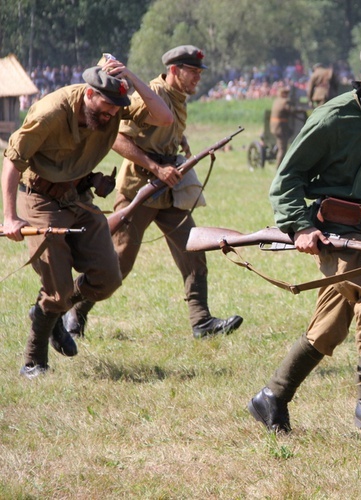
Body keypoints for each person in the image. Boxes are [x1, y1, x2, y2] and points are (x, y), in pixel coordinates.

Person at [247, 43, 361, 438]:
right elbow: (287, 178)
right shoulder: (333, 117)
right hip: (339, 234)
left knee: (329, 326)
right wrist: (301, 226)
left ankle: (272, 397)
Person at [2, 59, 173, 379]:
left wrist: (132, 78)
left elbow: (163, 117)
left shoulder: (115, 107)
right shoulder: (51, 112)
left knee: (108, 278)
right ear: (90, 94)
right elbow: (13, 161)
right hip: (39, 197)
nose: (110, 116)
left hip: (78, 197)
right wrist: (10, 217)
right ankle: (33, 359)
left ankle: (52, 313)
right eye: (106, 108)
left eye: (115, 111)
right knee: (57, 288)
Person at [62, 45, 243, 340]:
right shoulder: (154, 94)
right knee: (118, 262)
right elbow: (117, 138)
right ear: (174, 71)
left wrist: (177, 138)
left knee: (194, 252)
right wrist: (155, 168)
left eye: (199, 72)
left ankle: (201, 321)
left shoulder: (176, 96)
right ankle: (71, 309)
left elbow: (158, 128)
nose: (198, 77)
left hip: (169, 190)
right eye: (193, 72)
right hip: (140, 188)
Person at [269, 86, 297, 167]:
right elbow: (291, 110)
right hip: (280, 128)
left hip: (275, 127)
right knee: (282, 149)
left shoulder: (276, 101)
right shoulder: (284, 102)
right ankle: (279, 168)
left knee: (281, 146)